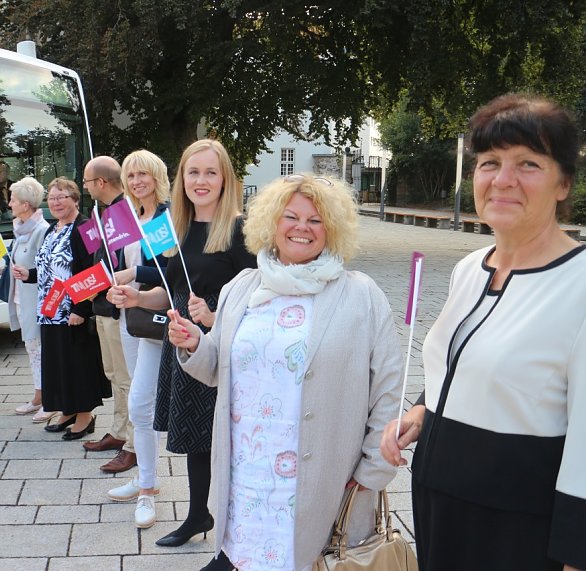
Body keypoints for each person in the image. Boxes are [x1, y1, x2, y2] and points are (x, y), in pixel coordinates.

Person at [381, 94, 586, 571]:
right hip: (438, 507)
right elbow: (463, 364)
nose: (503, 180)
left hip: (517, 528)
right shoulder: (472, 267)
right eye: (490, 162)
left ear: (564, 183)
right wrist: (423, 410)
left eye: (528, 164)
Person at [164, 174, 402, 570]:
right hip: (249, 478)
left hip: (323, 480)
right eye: (291, 217)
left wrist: (374, 469)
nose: (302, 228)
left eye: (316, 220)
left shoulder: (362, 295)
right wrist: (194, 344)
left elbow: (389, 389)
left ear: (333, 229)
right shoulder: (241, 287)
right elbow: (219, 369)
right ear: (271, 224)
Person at [110, 139, 257, 547]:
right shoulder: (176, 229)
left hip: (220, 350)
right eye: (194, 172)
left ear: (226, 179)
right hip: (184, 347)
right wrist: (138, 298)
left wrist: (214, 319)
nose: (201, 180)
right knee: (196, 436)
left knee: (225, 442)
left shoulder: (240, 231)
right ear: (181, 179)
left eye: (211, 172)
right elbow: (172, 290)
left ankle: (233, 531)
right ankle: (197, 515)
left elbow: (258, 299)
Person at [103, 150, 171, 528]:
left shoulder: (166, 217)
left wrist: (131, 274)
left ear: (157, 176)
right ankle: (146, 477)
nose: (136, 181)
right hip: (132, 316)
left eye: (143, 173)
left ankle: (148, 489)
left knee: (142, 402)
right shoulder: (127, 217)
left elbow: (169, 271)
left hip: (157, 316)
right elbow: (116, 263)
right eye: (131, 175)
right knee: (136, 402)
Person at [12, 177, 110, 440]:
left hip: (72, 312)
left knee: (78, 364)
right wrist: (28, 274)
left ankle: (85, 416)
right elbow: (48, 268)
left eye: (62, 197)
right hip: (49, 310)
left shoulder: (86, 228)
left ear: (76, 200)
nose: (55, 202)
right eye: (52, 198)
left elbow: (94, 269)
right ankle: (67, 410)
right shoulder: (51, 230)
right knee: (58, 365)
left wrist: (81, 308)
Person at [81, 156, 137, 473]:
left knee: (127, 378)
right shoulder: (101, 213)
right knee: (114, 374)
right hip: (102, 303)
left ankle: (132, 442)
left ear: (101, 182)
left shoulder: (123, 213)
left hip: (118, 307)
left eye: (88, 182)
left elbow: (124, 264)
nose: (86, 187)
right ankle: (118, 431)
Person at [0, 176, 54, 423]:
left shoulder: (40, 231)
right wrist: (2, 268)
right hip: (20, 299)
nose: (9, 204)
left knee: (39, 350)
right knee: (32, 349)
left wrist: (26, 273)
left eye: (13, 200)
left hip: (36, 301)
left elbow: (45, 268)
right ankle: (39, 396)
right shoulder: (21, 228)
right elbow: (15, 259)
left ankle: (48, 399)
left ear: (26, 204)